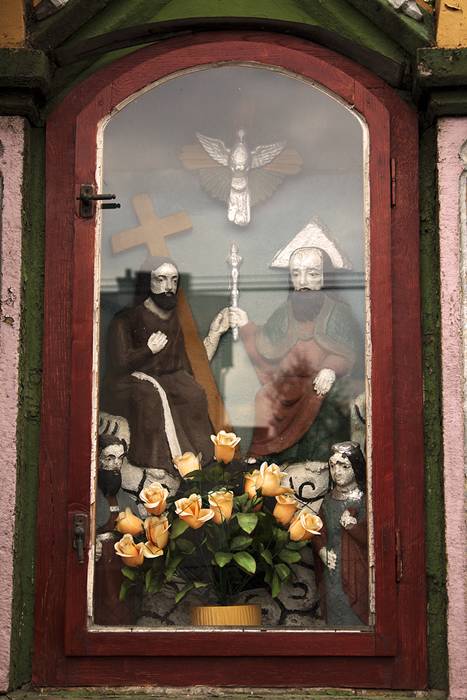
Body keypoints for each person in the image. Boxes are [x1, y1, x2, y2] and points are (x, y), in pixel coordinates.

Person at [210, 219, 359, 461]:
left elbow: (347, 352)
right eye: (296, 274)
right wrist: (246, 324)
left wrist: (330, 369)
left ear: (324, 278)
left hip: (320, 384)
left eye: (312, 274)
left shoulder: (338, 313)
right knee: (264, 396)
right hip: (289, 383)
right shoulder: (286, 311)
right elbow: (266, 345)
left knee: (325, 407)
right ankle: (263, 456)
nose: (303, 281)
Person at [101, 257, 214, 475]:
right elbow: (119, 363)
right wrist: (148, 350)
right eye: (161, 280)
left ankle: (201, 461)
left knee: (193, 393)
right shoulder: (126, 319)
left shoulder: (176, 320)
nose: (168, 287)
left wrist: (213, 336)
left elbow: (183, 364)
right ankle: (155, 463)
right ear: (148, 283)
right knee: (149, 395)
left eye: (173, 280)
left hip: (166, 379)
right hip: (127, 382)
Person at [312, 441, 368, 627]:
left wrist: (353, 527)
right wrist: (322, 550)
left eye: (344, 466)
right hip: (333, 571)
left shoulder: (364, 500)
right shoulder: (329, 500)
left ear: (356, 467)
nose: (337, 472)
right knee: (335, 610)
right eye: (333, 466)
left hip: (357, 570)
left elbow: (372, 537)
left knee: (356, 613)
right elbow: (318, 530)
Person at [94, 435, 141, 625]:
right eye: (110, 458)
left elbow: (138, 530)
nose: (116, 465)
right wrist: (92, 541)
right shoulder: (91, 499)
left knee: (123, 601)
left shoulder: (126, 500)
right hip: (100, 562)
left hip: (122, 559)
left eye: (120, 459)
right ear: (97, 459)